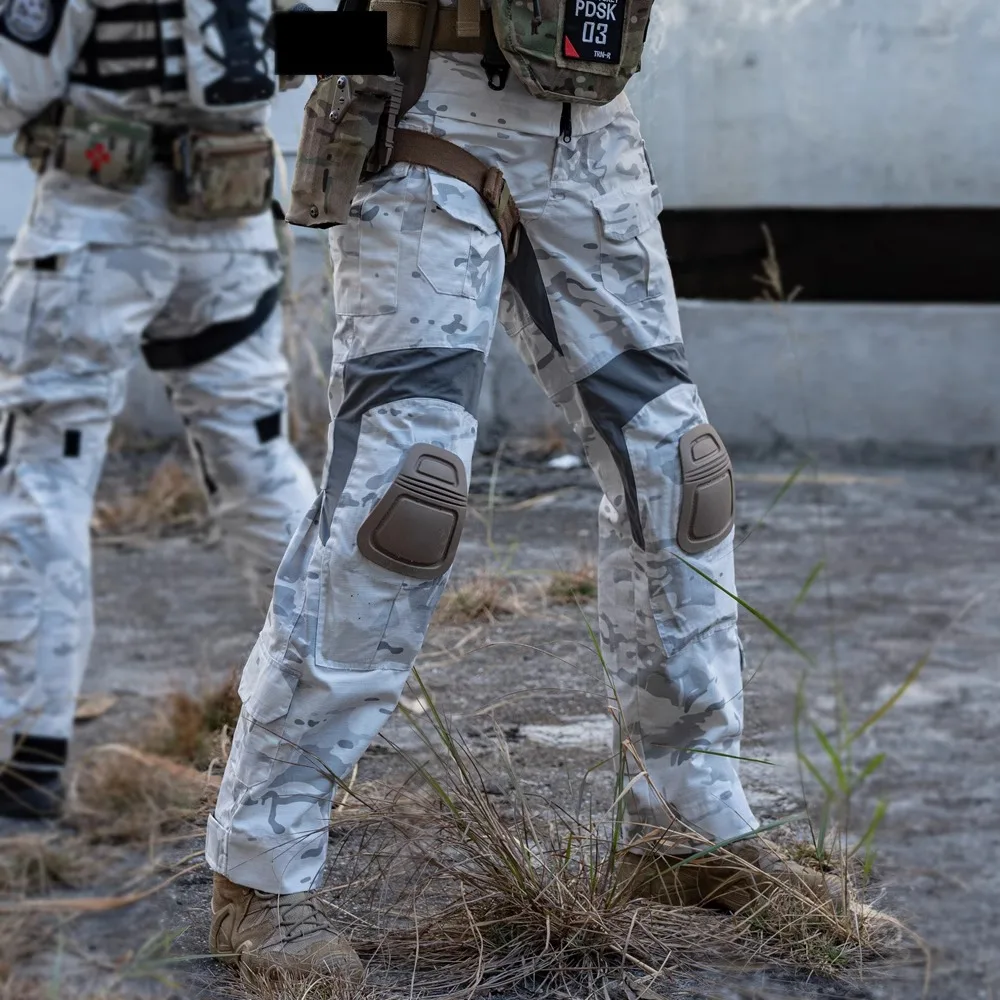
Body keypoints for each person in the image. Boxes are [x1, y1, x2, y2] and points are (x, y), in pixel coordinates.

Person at [205, 0, 837, 978]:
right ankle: (262, 867)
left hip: (588, 124)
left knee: (680, 472)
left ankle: (688, 818)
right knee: (402, 499)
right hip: (424, 111)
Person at [0, 0, 316, 820]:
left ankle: (27, 755)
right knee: (256, 456)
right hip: (231, 222)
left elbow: (19, 81)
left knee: (49, 466)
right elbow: (303, 46)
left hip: (98, 224)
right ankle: (326, 714)